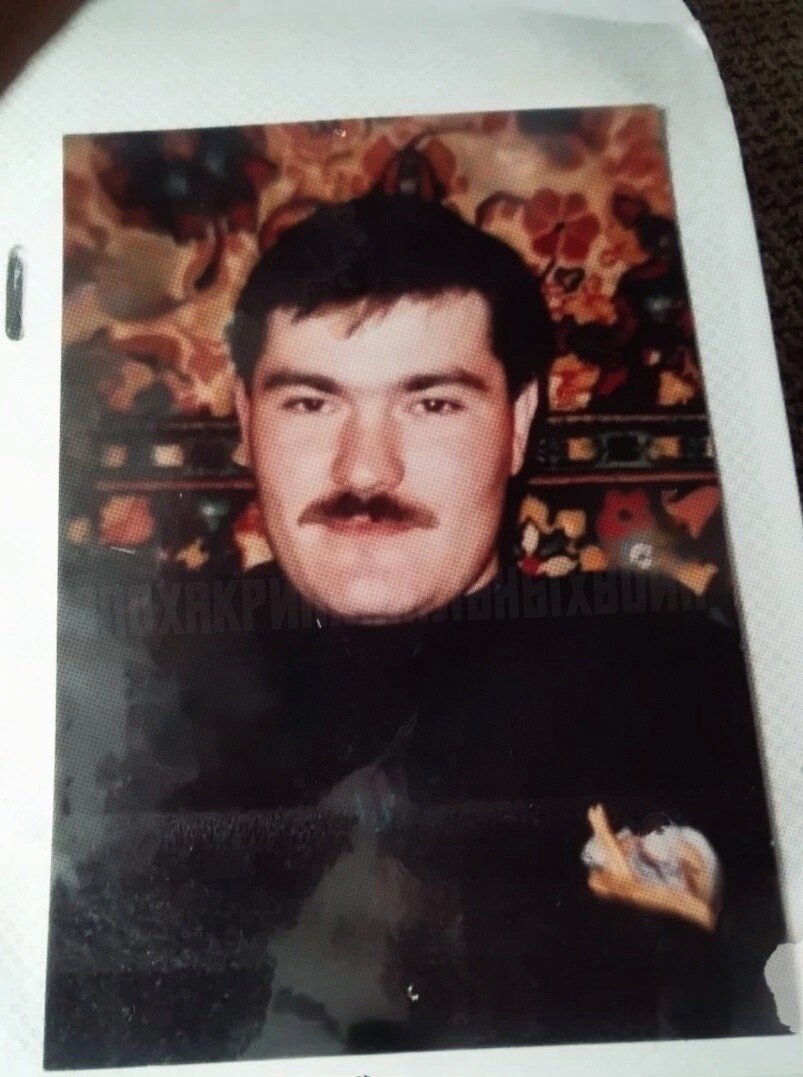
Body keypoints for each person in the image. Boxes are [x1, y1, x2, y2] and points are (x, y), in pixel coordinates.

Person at [45, 192, 787, 1068]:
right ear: (244, 420)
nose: (366, 469)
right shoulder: (132, 679)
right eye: (309, 403)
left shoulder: (673, 670)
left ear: (518, 422)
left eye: (432, 404)